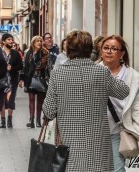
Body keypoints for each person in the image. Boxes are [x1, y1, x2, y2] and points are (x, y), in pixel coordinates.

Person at [43, 30, 130, 172]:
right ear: (91, 50)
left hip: (69, 146)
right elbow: (123, 91)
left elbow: (49, 111)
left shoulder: (57, 73)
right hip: (98, 148)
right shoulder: (102, 72)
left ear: (68, 49)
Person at [99, 35, 139, 171]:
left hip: (117, 131)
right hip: (95, 132)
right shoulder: (94, 72)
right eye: (106, 48)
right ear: (101, 51)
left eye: (114, 48)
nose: (109, 51)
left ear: (122, 54)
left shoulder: (132, 77)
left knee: (117, 169)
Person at [0, 33, 23, 128]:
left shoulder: (15, 53)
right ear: (3, 41)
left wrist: (12, 68)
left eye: (11, 39)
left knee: (10, 101)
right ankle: (3, 121)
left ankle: (10, 120)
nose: (11, 41)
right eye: (9, 39)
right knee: (2, 101)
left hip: (12, 81)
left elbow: (20, 66)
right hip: (0, 80)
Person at [19, 36, 51, 128]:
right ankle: (31, 120)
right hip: (29, 78)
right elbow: (24, 66)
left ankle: (38, 120)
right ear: (33, 42)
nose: (39, 43)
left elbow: (49, 67)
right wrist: (21, 79)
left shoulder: (45, 53)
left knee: (40, 101)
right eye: (37, 41)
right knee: (31, 100)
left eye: (41, 41)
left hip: (41, 78)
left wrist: (50, 79)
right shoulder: (27, 53)